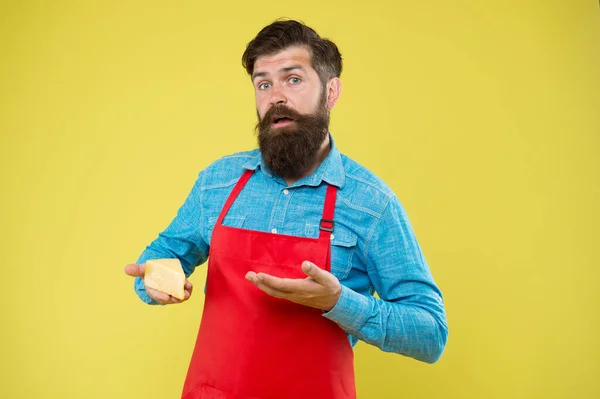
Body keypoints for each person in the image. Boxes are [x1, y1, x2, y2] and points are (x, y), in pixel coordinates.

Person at [124, 19, 448, 399]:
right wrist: (155, 281)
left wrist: (339, 303)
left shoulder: (371, 203)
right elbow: (163, 257)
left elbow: (431, 333)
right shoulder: (219, 181)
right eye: (264, 84)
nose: (276, 96)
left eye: (293, 79)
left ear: (331, 92)